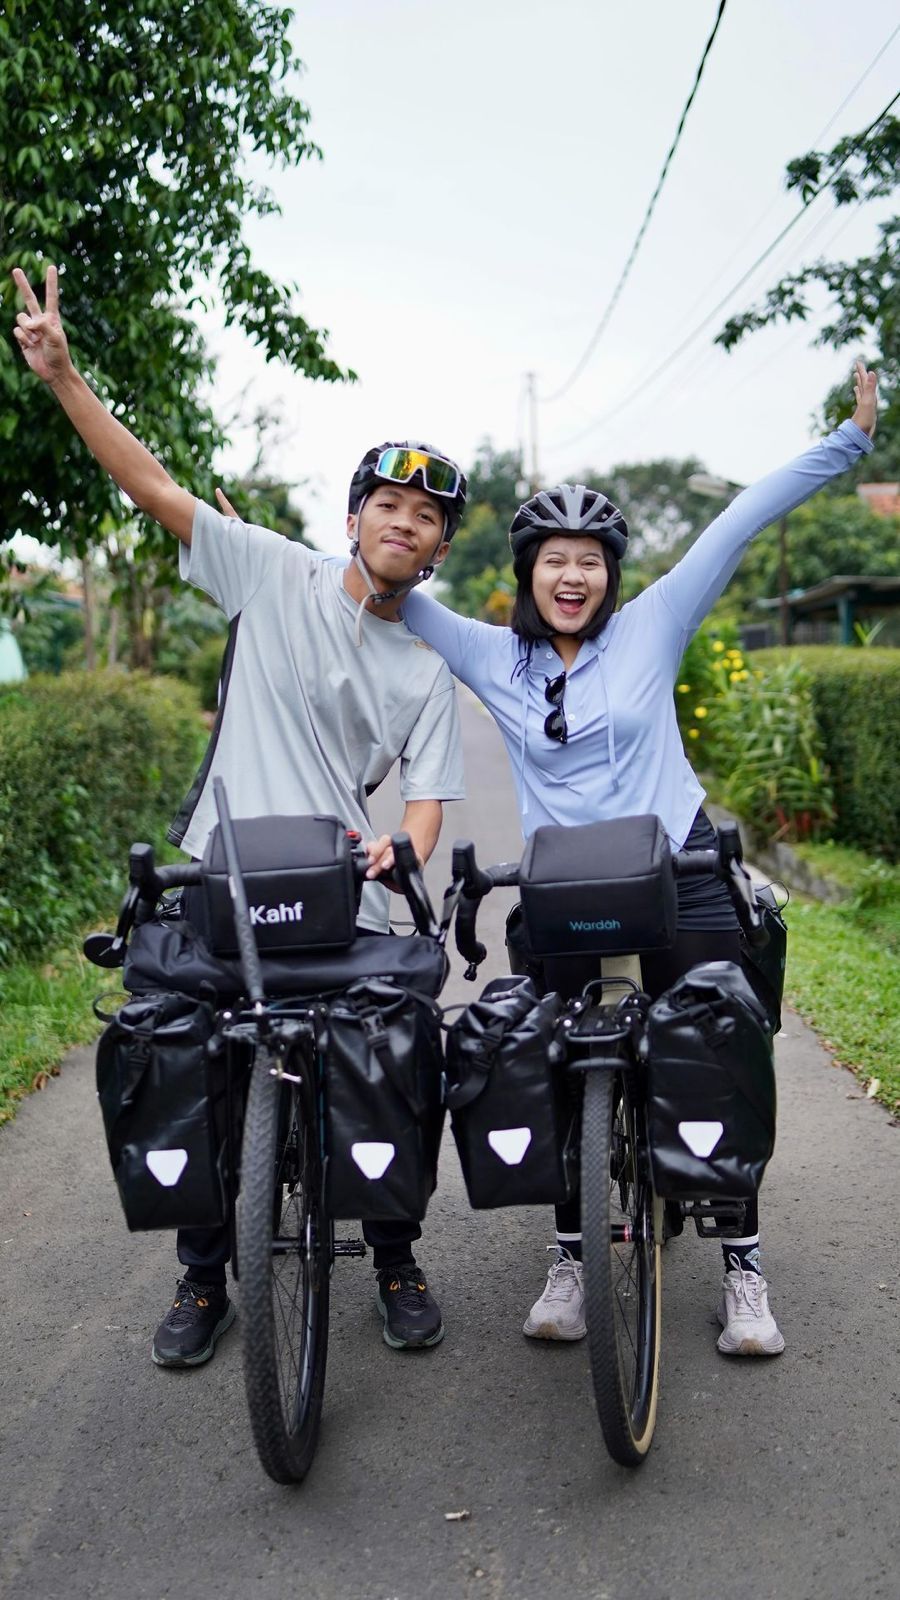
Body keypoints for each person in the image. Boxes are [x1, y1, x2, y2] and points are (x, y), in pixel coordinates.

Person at [12, 263, 468, 1363]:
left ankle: (396, 1253)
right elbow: (154, 488)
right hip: (224, 876)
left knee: (396, 1051)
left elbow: (424, 806)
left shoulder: (427, 662)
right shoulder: (271, 573)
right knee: (190, 1064)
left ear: (442, 544)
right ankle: (204, 1277)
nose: (404, 523)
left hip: (330, 886)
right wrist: (65, 378)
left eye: (426, 515)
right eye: (388, 504)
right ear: (353, 515)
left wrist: (391, 854)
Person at [399, 364, 878, 1357]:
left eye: (589, 561)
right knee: (552, 1061)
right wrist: (304, 550)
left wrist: (850, 441)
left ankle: (742, 1263)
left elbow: (738, 520)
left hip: (679, 868)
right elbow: (386, 587)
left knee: (714, 1045)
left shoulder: (652, 627)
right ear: (527, 569)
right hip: (567, 889)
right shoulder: (496, 657)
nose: (572, 577)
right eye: (553, 560)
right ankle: (573, 1251)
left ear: (610, 572)